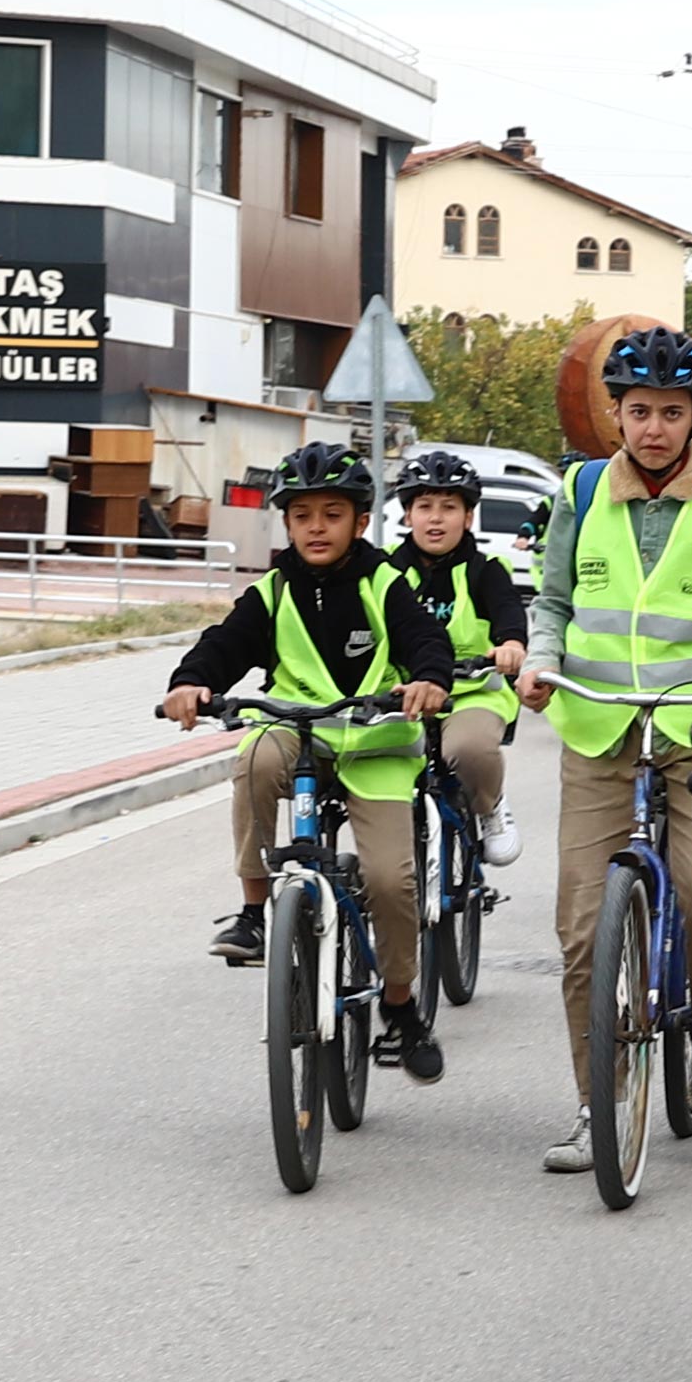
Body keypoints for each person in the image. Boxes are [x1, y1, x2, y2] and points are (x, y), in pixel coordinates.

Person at [156, 440, 457, 1080]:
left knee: (390, 881)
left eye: (332, 514)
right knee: (255, 757)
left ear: (361, 521)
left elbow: (425, 637)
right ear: (287, 524)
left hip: (375, 745)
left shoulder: (384, 582)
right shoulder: (273, 590)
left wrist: (430, 678)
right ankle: (253, 911)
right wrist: (191, 681)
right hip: (300, 733)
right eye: (302, 516)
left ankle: (399, 1005)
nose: (316, 528)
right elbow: (224, 643)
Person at [527, 330, 692, 1169]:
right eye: (638, 412)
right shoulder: (581, 490)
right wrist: (542, 659)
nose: (654, 429)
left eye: (671, 413)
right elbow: (552, 599)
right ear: (615, 416)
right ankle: (599, 1104)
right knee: (584, 925)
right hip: (599, 727)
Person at [383, 450, 531, 871]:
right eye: (424, 507)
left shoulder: (487, 570)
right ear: (407, 515)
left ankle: (489, 804)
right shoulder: (385, 569)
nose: (435, 518)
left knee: (469, 749)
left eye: (449, 507)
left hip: (471, 692)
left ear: (468, 517)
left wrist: (511, 644)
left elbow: (508, 612)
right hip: (403, 694)